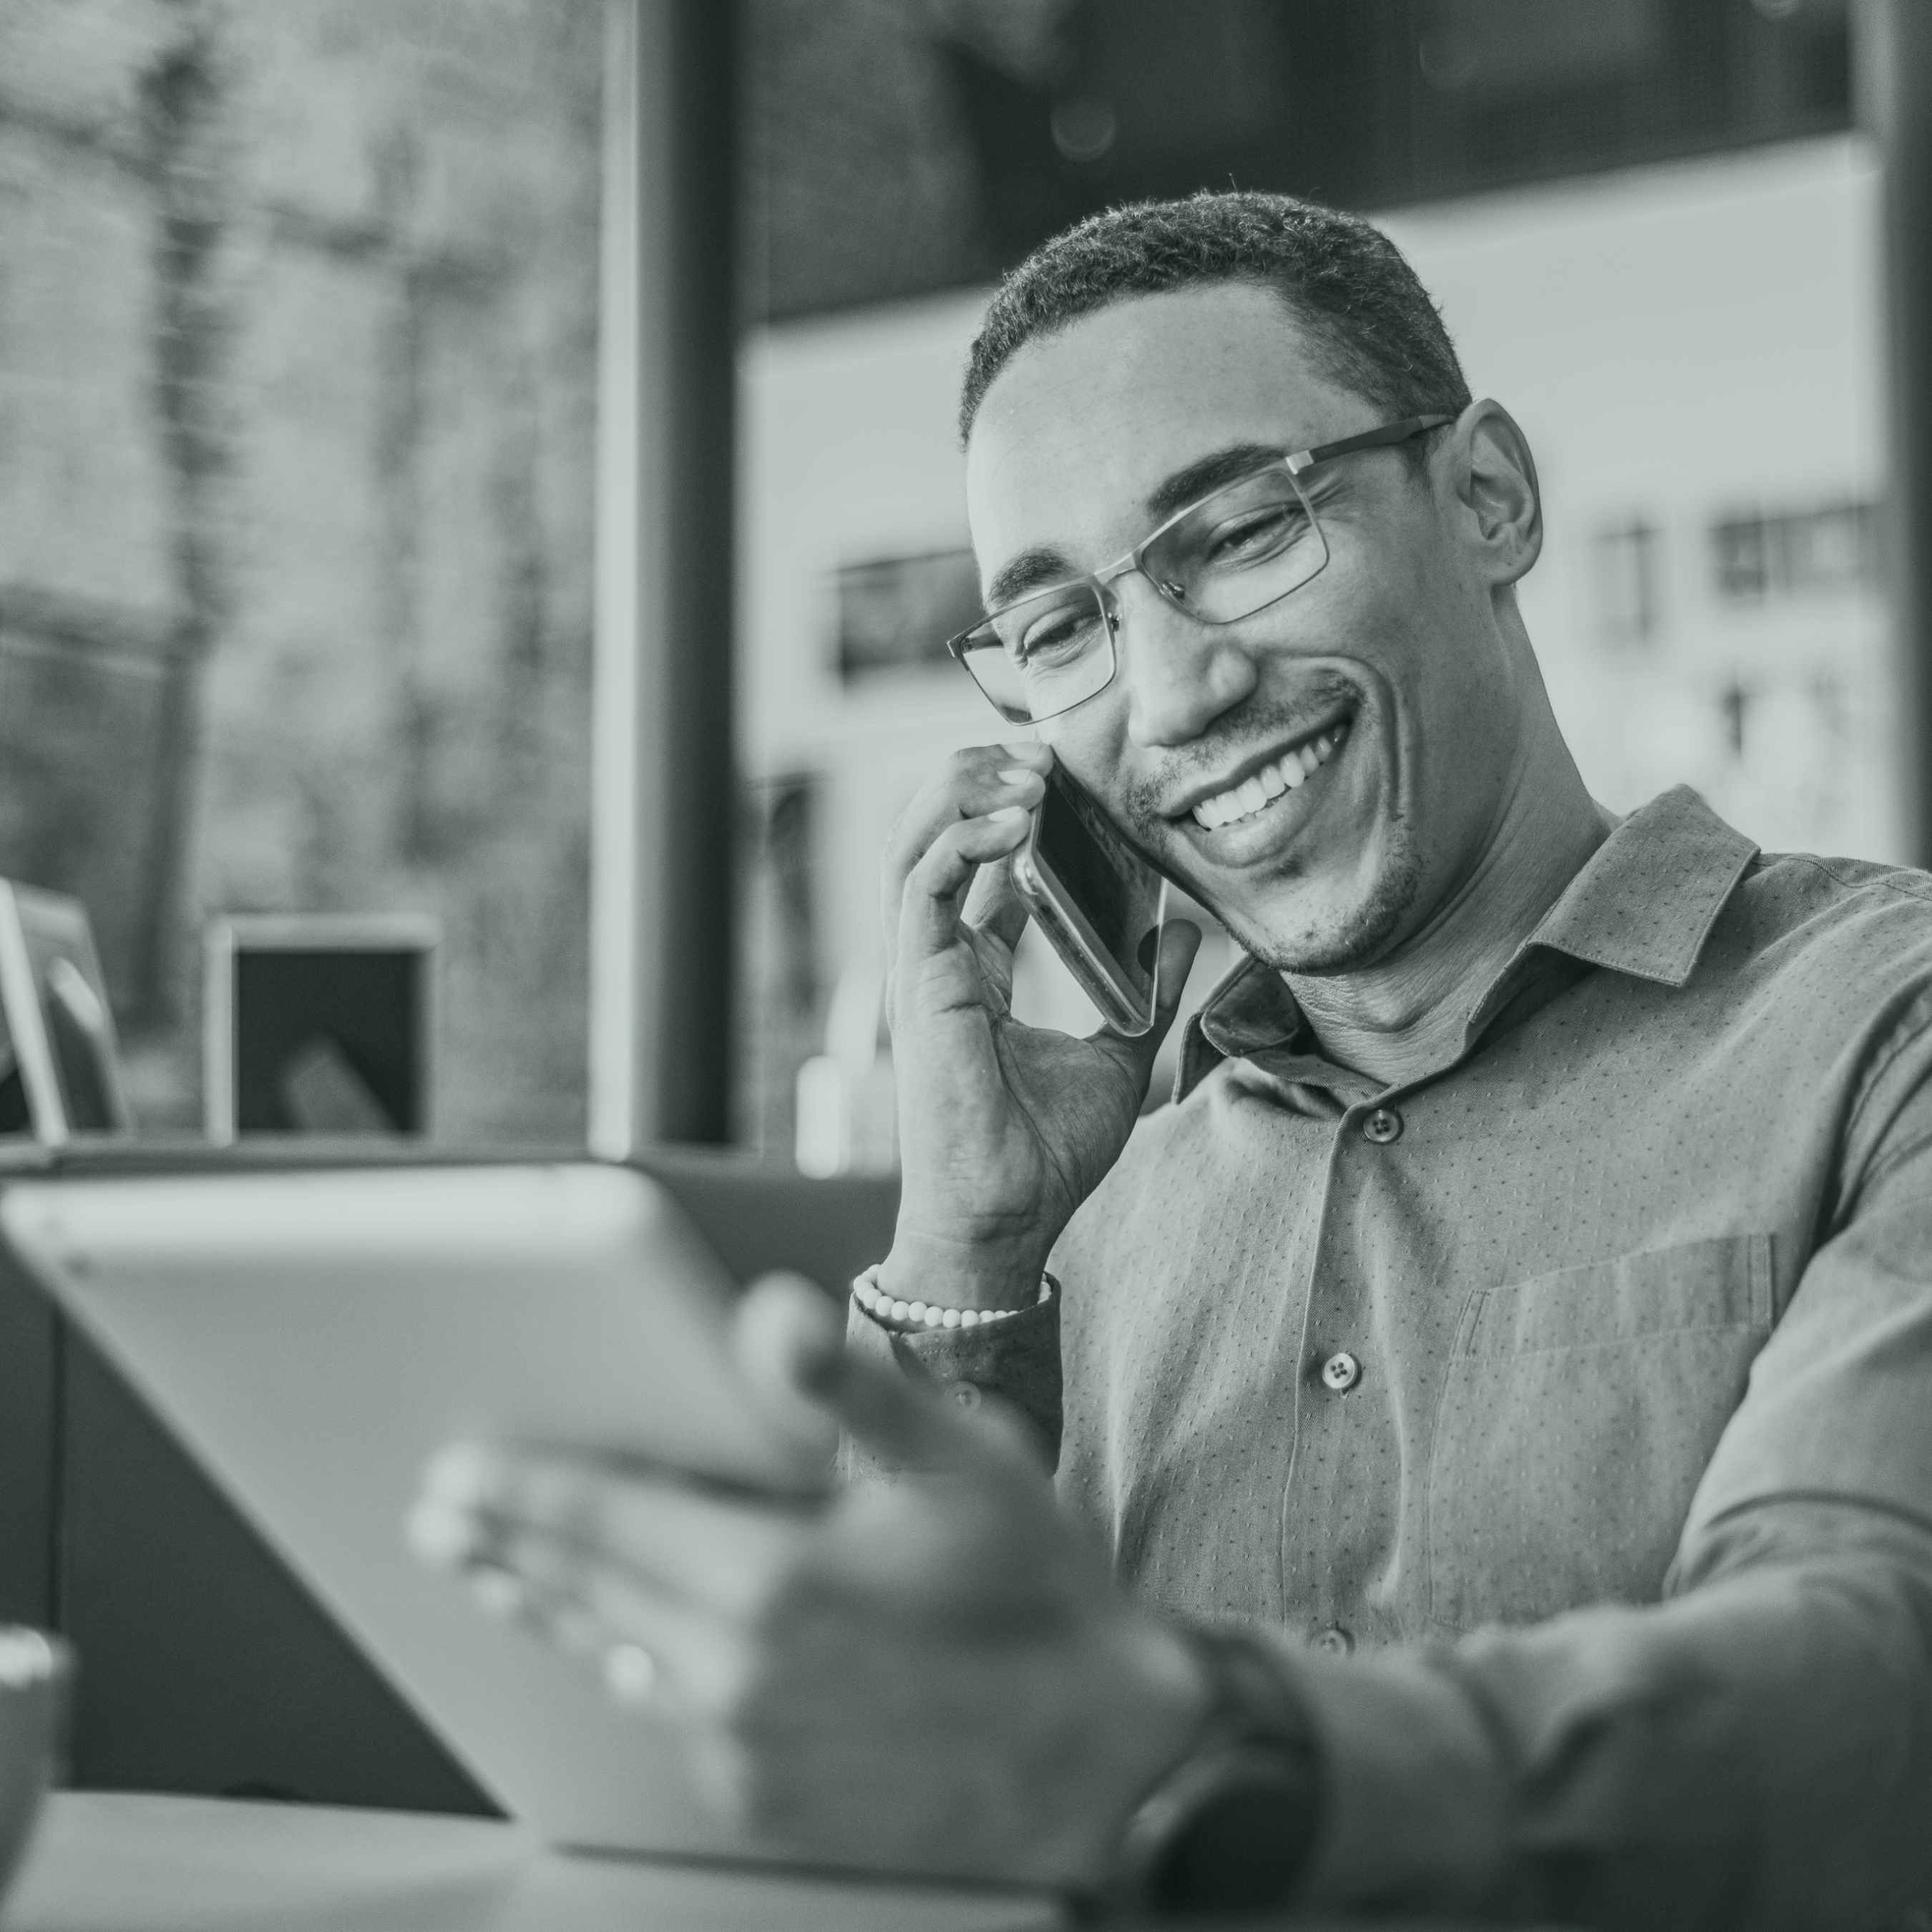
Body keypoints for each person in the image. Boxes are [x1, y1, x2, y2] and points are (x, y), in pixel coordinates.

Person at [409, 192, 1932, 1926]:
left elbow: (1866, 1695)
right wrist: (971, 1246)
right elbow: (905, 1780)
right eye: (1064, 630)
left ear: (1488, 499)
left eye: (1236, 532)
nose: (1173, 694)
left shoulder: (1882, 1029)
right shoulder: (1092, 1209)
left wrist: (1194, 1753)